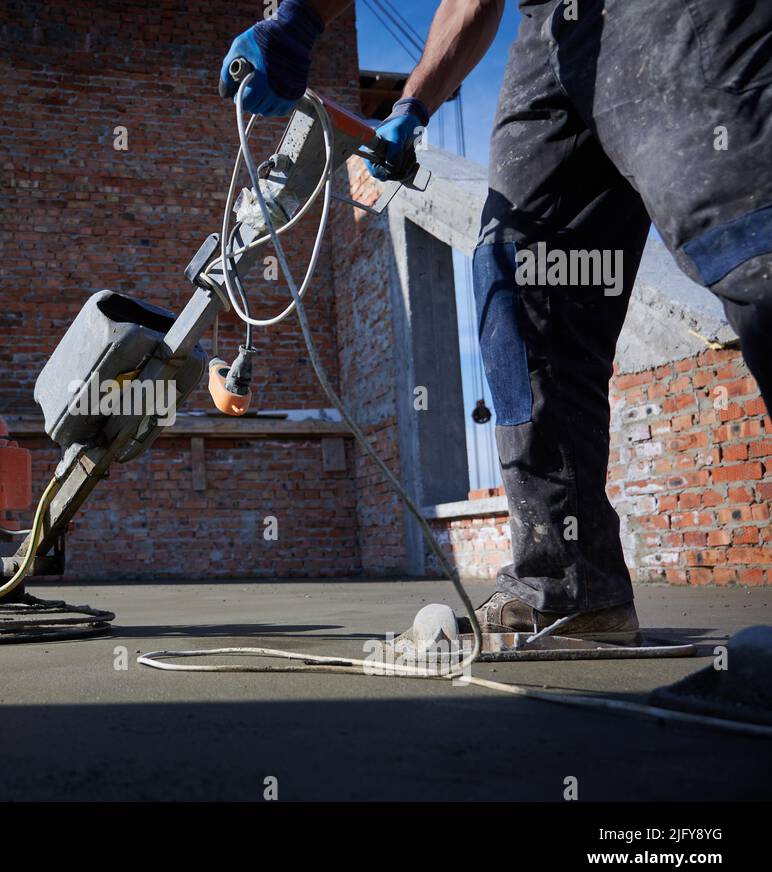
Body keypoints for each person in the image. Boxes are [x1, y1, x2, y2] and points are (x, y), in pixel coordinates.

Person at [220, 0, 771, 639]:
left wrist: (300, 16)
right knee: (518, 289)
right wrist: (411, 107)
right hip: (550, 37)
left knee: (747, 236)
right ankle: (569, 589)